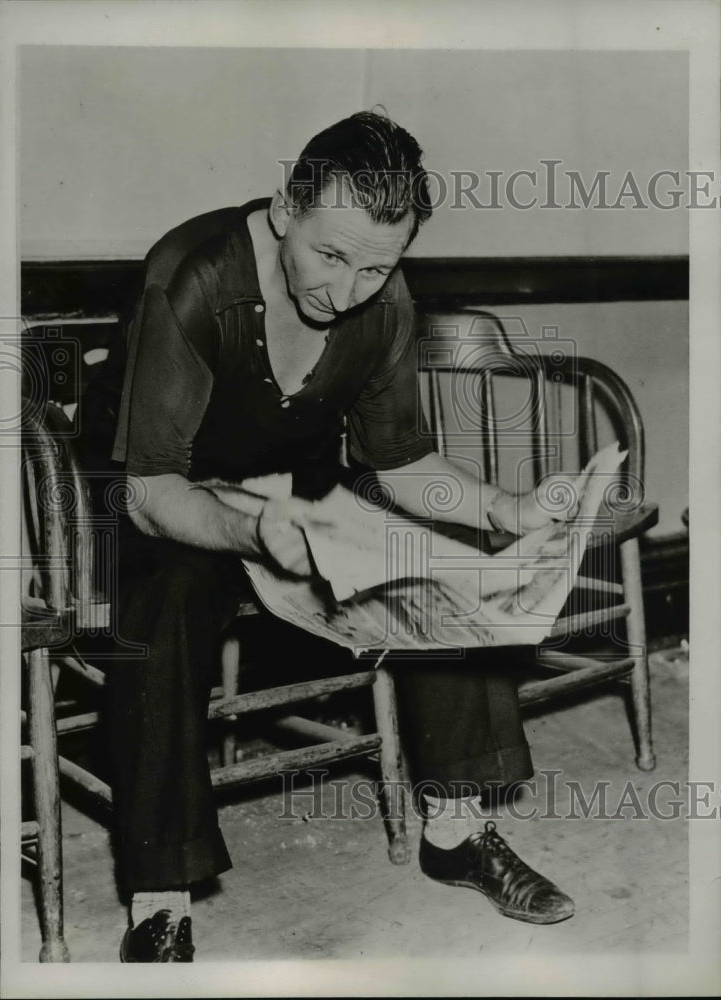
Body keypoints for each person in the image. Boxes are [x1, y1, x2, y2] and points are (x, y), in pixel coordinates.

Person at [82, 111, 574, 963]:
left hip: (294, 490)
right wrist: (248, 529)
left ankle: (456, 832)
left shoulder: (382, 301)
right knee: (169, 596)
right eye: (330, 256)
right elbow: (150, 488)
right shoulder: (191, 279)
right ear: (283, 209)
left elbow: (401, 457)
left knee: (427, 548)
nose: (345, 292)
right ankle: (158, 898)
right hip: (166, 499)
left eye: (376, 267)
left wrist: (505, 511)